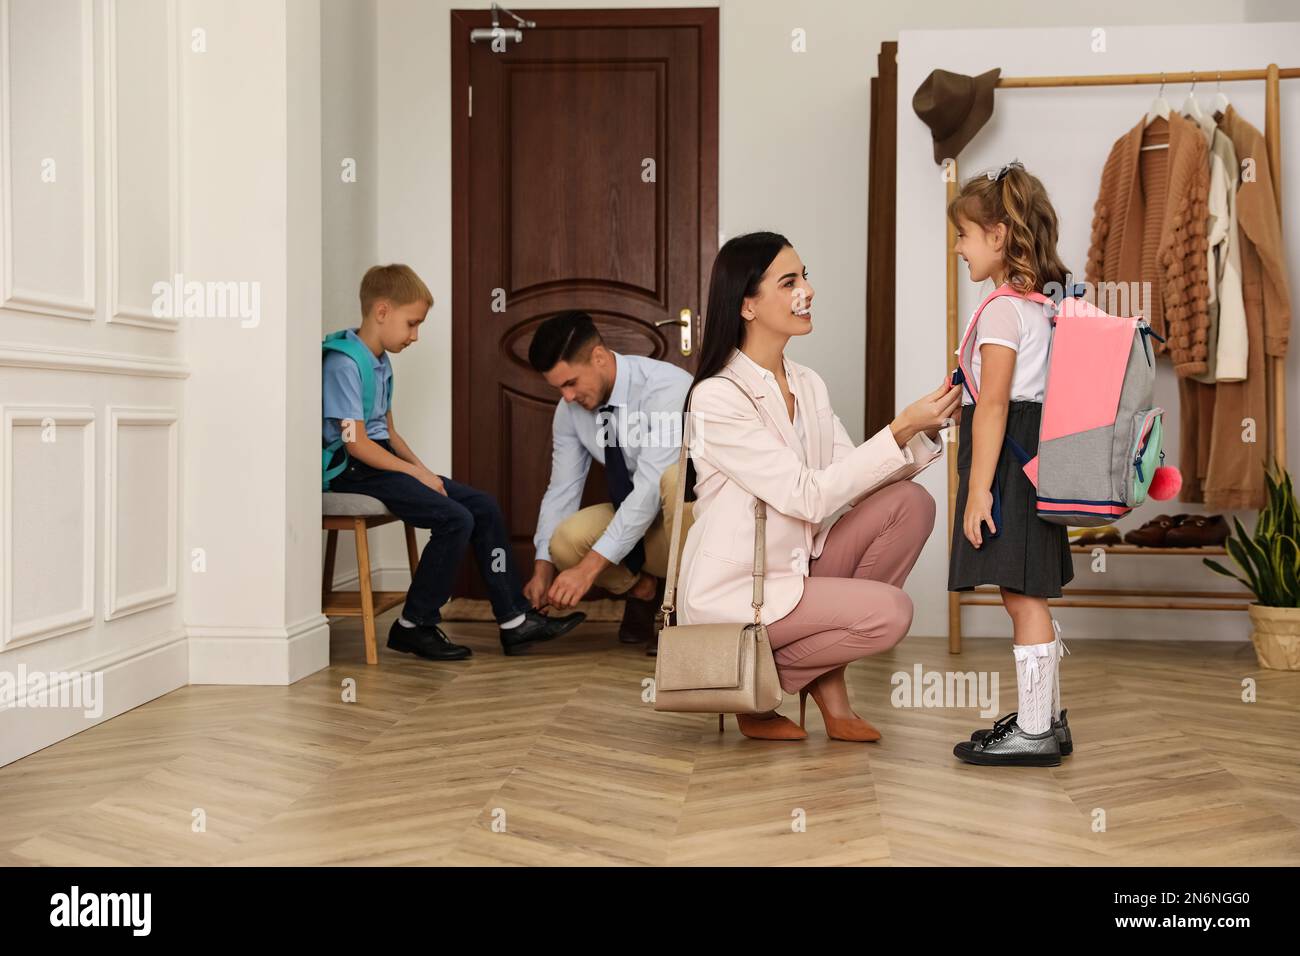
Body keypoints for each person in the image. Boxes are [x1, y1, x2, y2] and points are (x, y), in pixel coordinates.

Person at [678, 232, 957, 741]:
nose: (806, 290)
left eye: (806, 277)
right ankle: (753, 684)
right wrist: (896, 428)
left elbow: (851, 478)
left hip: (797, 565)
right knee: (891, 613)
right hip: (744, 592)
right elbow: (807, 494)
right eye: (789, 282)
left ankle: (802, 685)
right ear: (747, 305)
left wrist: (922, 430)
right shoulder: (716, 397)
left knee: (910, 504)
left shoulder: (807, 383)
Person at [323, 264, 584, 660]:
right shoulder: (344, 364)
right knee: (454, 518)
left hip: (379, 461)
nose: (415, 335)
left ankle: (514, 621)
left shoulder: (380, 363)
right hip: (350, 470)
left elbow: (389, 434)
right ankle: (414, 624)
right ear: (381, 311)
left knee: (482, 506)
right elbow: (356, 443)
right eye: (411, 324)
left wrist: (424, 472)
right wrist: (412, 473)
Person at [947, 162, 1075, 767]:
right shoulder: (1040, 306)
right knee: (1027, 592)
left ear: (998, 236)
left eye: (965, 235)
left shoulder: (1002, 310)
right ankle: (1045, 717)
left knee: (1022, 596)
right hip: (1036, 455)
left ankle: (1033, 729)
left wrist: (978, 493)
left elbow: (994, 403)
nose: (958, 247)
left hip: (1009, 461)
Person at [525, 311, 694, 654]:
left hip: (686, 521)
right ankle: (644, 590)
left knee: (673, 479)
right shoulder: (569, 410)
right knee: (563, 542)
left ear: (598, 357)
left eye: (570, 383)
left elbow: (649, 489)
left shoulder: (667, 387)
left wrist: (588, 571)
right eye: (559, 388)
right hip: (638, 524)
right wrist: (542, 568)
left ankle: (685, 611)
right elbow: (562, 490)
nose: (567, 397)